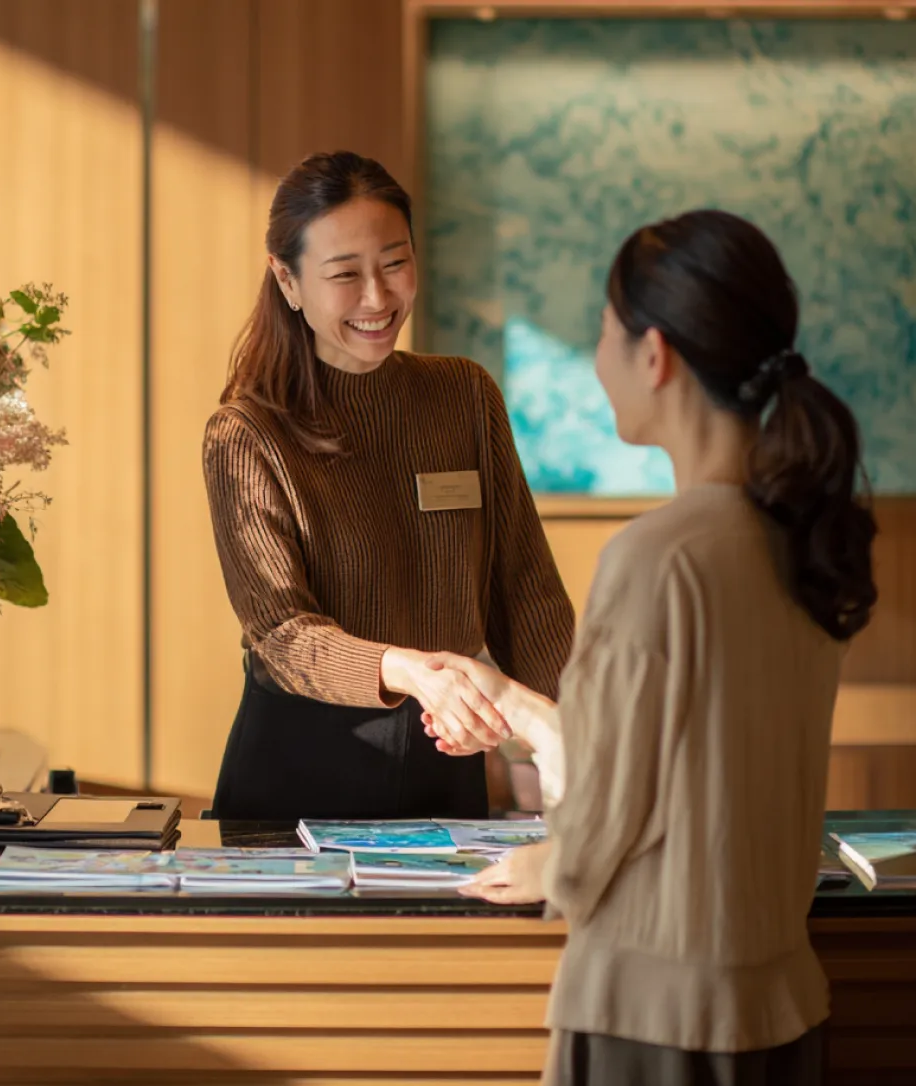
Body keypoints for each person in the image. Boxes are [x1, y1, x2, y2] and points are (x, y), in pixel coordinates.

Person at [433, 209, 877, 1085]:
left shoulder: (658, 556)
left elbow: (604, 818)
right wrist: (522, 705)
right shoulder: (802, 539)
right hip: (781, 1006)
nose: (598, 360)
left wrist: (543, 863)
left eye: (603, 333)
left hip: (655, 1015)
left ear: (655, 353)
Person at [202, 150, 575, 821]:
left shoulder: (464, 395)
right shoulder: (246, 434)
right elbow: (282, 632)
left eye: (395, 264)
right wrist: (413, 674)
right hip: (299, 771)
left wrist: (569, 737)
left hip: (447, 758)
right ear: (287, 279)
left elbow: (526, 594)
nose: (378, 299)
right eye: (345, 274)